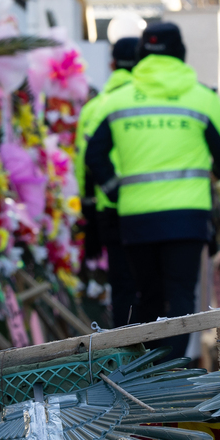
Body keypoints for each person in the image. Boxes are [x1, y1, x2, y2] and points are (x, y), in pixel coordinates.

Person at [84, 22, 220, 357]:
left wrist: (115, 191)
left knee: (146, 295)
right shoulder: (203, 98)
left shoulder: (118, 100)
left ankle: (148, 370)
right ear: (180, 52)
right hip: (188, 217)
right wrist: (213, 175)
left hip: (136, 218)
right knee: (181, 295)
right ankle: (172, 375)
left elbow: (93, 154)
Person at [75, 37, 141, 328]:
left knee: (121, 284)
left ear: (112, 64)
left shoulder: (95, 107)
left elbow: (83, 161)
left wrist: (89, 205)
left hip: (109, 207)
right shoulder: (145, 102)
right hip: (146, 204)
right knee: (149, 285)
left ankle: (126, 353)